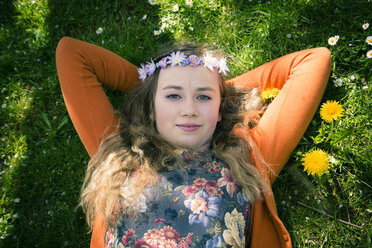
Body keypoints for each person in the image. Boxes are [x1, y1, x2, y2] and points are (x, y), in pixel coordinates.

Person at [56, 37, 331, 248]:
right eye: (173, 96)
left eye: (204, 97)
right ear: (150, 108)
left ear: (220, 109)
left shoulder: (248, 157)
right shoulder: (121, 153)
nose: (189, 109)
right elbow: (72, 54)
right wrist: (151, 84)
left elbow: (313, 62)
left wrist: (220, 89)